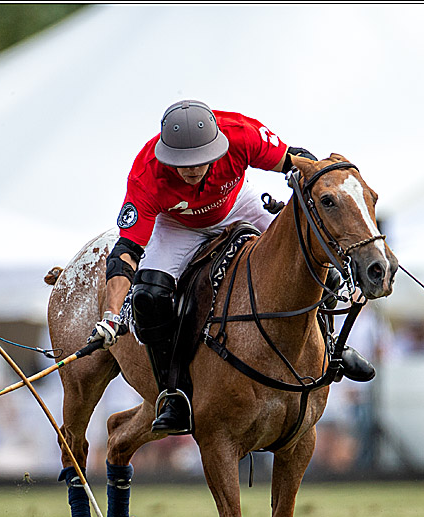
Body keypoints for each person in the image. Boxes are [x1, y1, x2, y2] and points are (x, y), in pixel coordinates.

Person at [88, 100, 374, 435]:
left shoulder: (242, 135)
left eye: (201, 160)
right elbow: (126, 252)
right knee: (149, 298)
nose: (193, 169)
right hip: (177, 226)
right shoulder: (146, 174)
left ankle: (333, 346)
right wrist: (109, 315)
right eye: (183, 163)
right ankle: (172, 393)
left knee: (309, 254)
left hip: (238, 204)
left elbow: (299, 163)